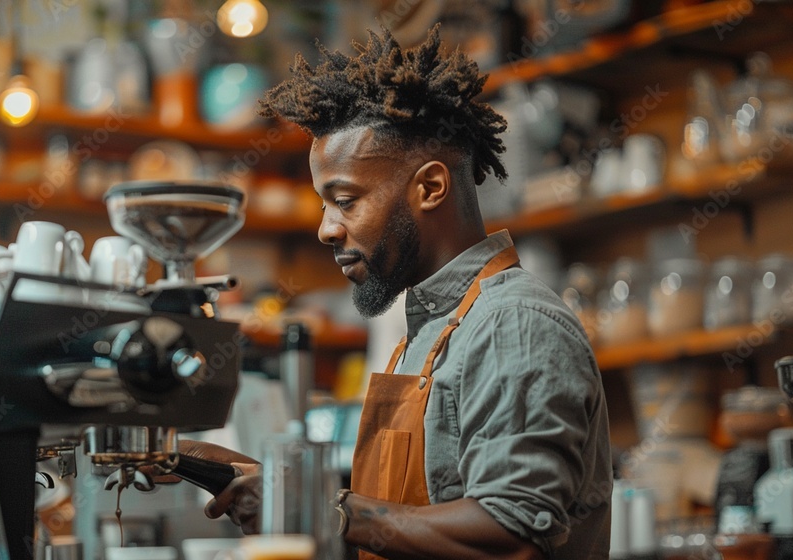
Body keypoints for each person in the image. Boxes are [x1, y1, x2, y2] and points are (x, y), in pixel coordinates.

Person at [168, 25, 612, 559]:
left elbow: (512, 536)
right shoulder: (427, 333)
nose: (326, 229)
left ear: (429, 187)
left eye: (346, 200)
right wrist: (256, 482)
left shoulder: (510, 323)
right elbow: (402, 526)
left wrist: (326, 509)